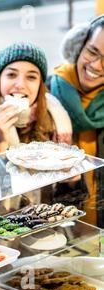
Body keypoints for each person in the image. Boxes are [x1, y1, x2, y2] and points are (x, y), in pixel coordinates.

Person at [49, 15, 104, 227]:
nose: (97, 66)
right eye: (92, 51)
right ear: (78, 46)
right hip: (55, 232)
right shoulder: (45, 95)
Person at [0, 42, 72, 152]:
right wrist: (1, 141)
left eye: (31, 77)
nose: (20, 85)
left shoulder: (55, 118)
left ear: (40, 85)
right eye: (11, 75)